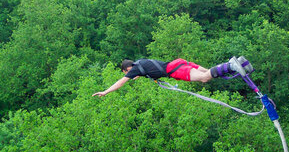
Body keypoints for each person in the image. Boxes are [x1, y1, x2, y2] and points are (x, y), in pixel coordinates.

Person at [92, 56, 253, 97]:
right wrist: (136, 76)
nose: (128, 75)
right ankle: (239, 64)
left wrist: (105, 91)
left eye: (126, 73)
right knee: (206, 73)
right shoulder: (140, 63)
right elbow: (141, 73)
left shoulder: (134, 70)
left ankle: (231, 65)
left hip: (175, 70)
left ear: (127, 69)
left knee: (204, 78)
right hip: (178, 63)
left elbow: (121, 82)